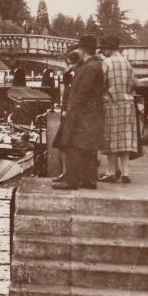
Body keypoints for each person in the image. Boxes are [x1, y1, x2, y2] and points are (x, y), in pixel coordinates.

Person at [53, 35, 105, 190]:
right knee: (87, 147)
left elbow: (83, 92)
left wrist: (71, 110)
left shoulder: (90, 67)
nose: (77, 51)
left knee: (75, 146)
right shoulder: (92, 65)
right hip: (89, 113)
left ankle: (71, 181)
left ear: (83, 50)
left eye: (79, 48)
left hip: (83, 113)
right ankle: (89, 179)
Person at [98, 35, 138, 184]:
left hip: (111, 103)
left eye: (104, 49)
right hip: (127, 104)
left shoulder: (107, 62)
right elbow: (134, 83)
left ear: (109, 49)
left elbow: (101, 82)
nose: (103, 52)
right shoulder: (127, 62)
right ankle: (126, 172)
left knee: (111, 138)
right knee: (125, 138)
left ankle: (110, 172)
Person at [52, 50, 82, 182]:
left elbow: (65, 93)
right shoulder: (82, 71)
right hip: (78, 113)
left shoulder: (69, 73)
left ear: (68, 61)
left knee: (62, 143)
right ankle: (73, 172)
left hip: (68, 111)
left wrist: (63, 109)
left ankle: (65, 172)